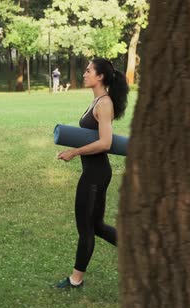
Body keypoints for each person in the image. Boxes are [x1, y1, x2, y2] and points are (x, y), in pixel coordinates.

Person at [55, 58, 129, 289]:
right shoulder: (97, 100)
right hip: (95, 173)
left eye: (88, 71)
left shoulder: (104, 104)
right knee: (95, 226)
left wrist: (75, 152)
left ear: (100, 77)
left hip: (95, 175)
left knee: (86, 227)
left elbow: (105, 143)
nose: (84, 73)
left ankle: (75, 280)